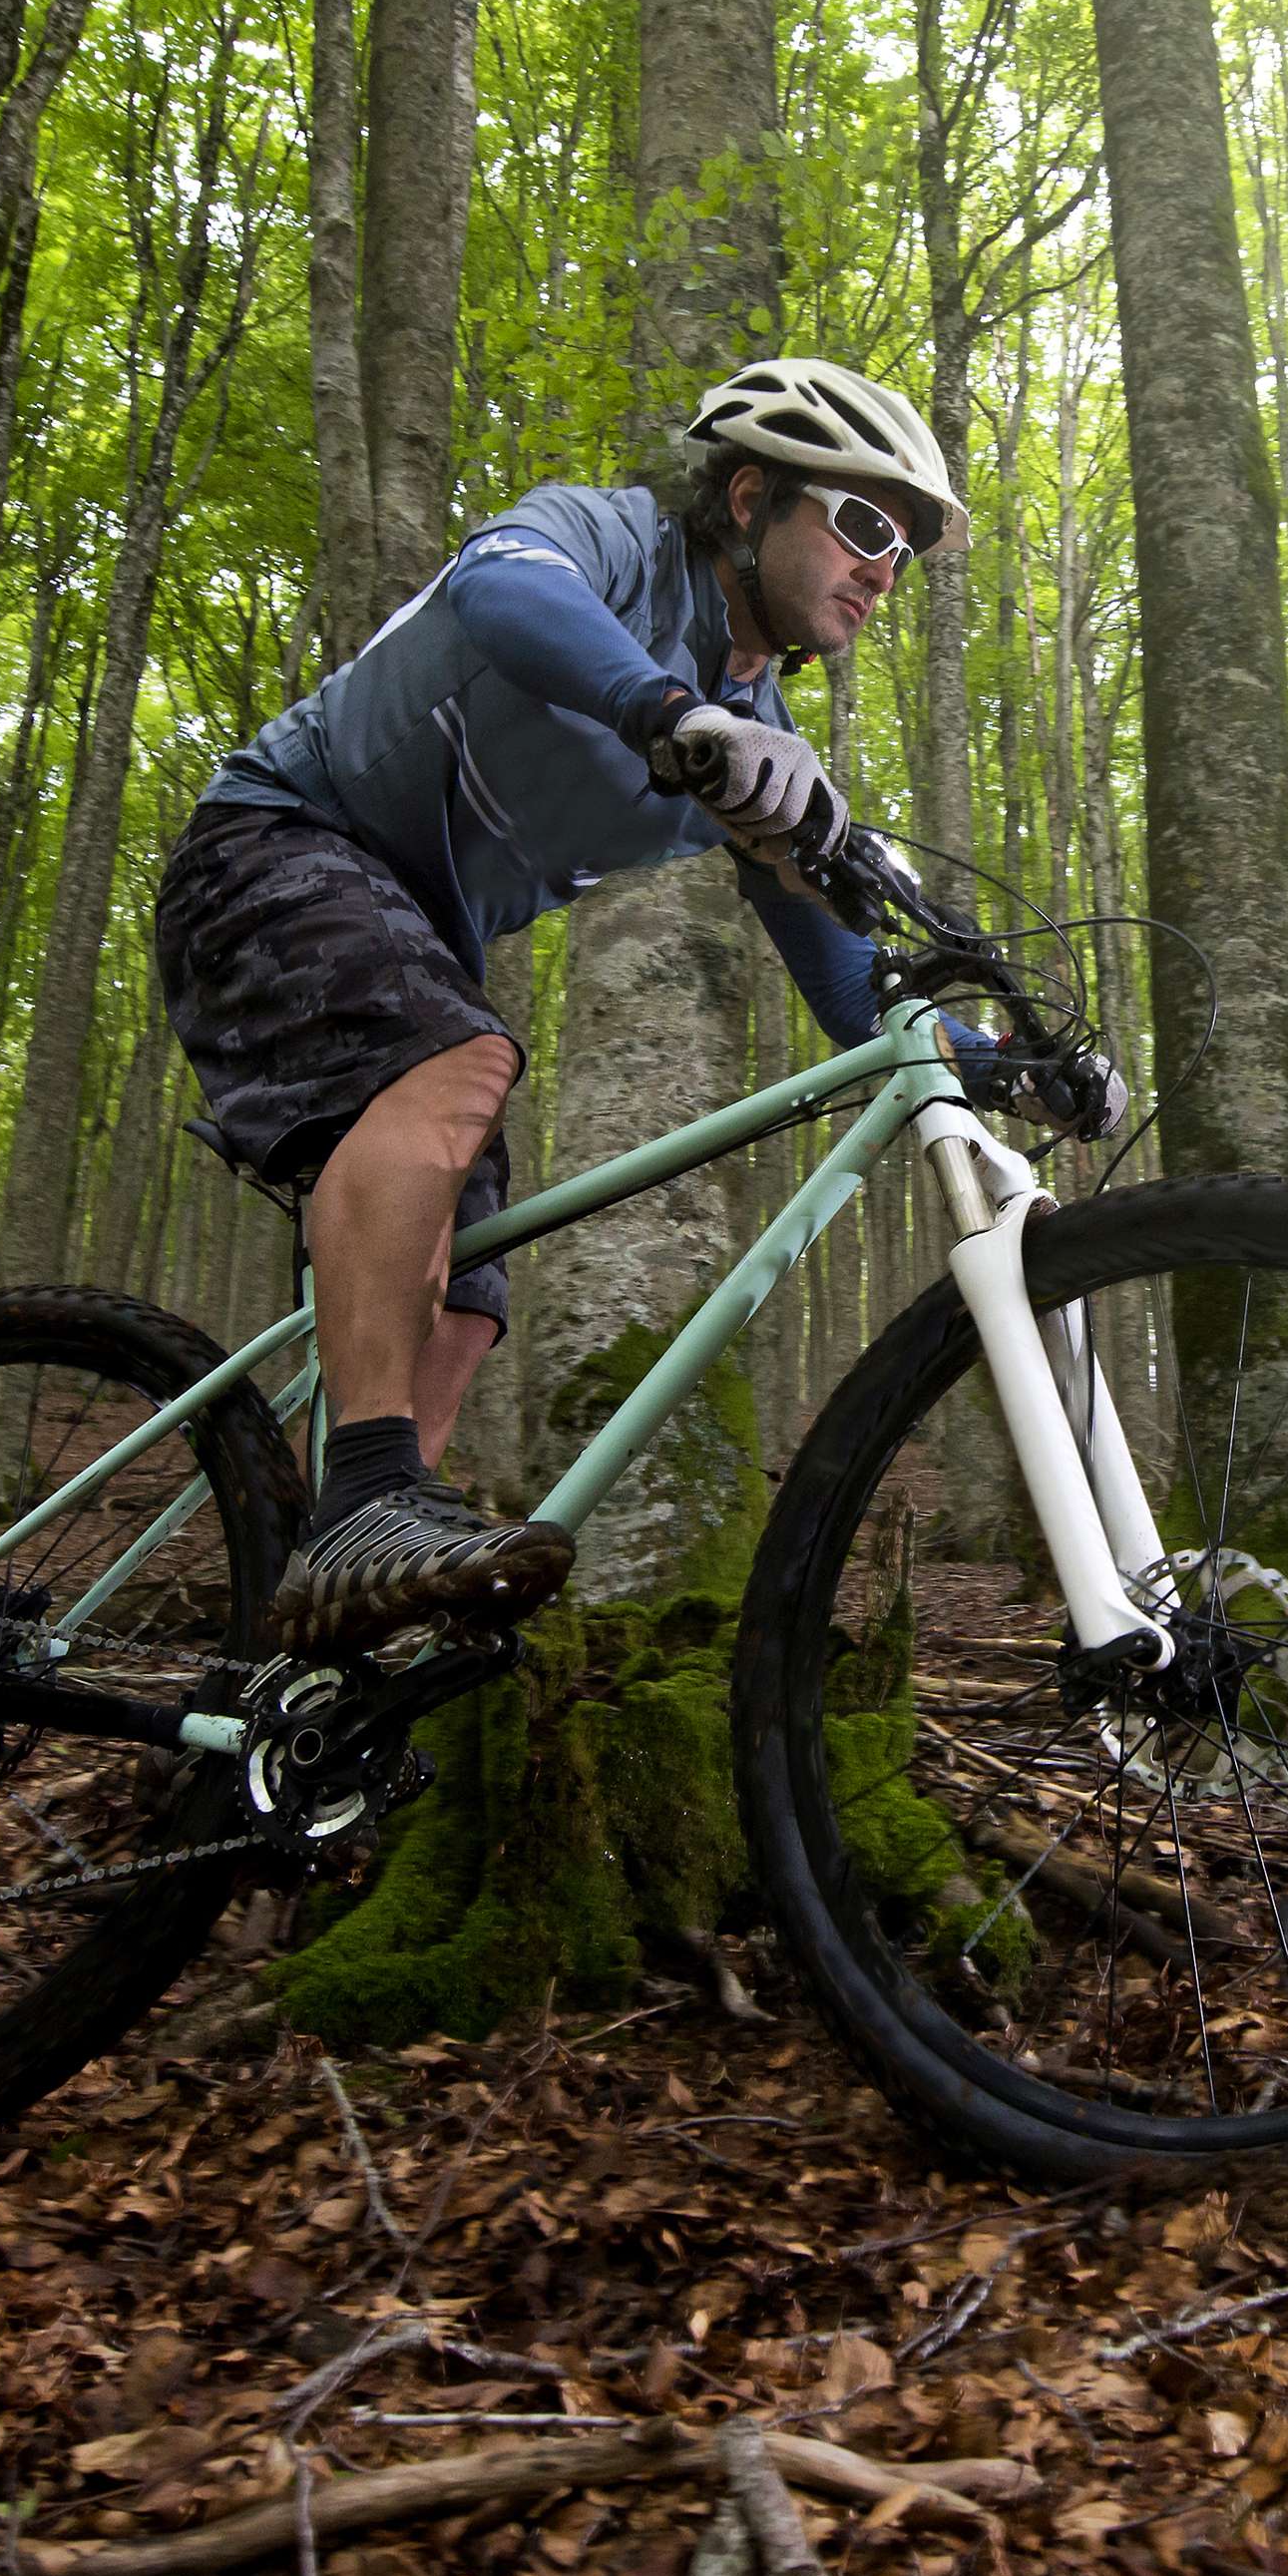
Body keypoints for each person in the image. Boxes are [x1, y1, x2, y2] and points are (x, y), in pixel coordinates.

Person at [152, 357, 965, 1651]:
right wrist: (668, 711)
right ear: (751, 496)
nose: (884, 565)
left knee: (472, 1291)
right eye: (865, 522)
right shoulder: (614, 544)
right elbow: (498, 588)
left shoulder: (754, 740)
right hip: (270, 847)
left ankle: (347, 1618)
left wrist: (980, 1050)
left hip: (405, 940)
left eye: (908, 553)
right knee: (458, 1062)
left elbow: (853, 994)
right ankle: (364, 1499)